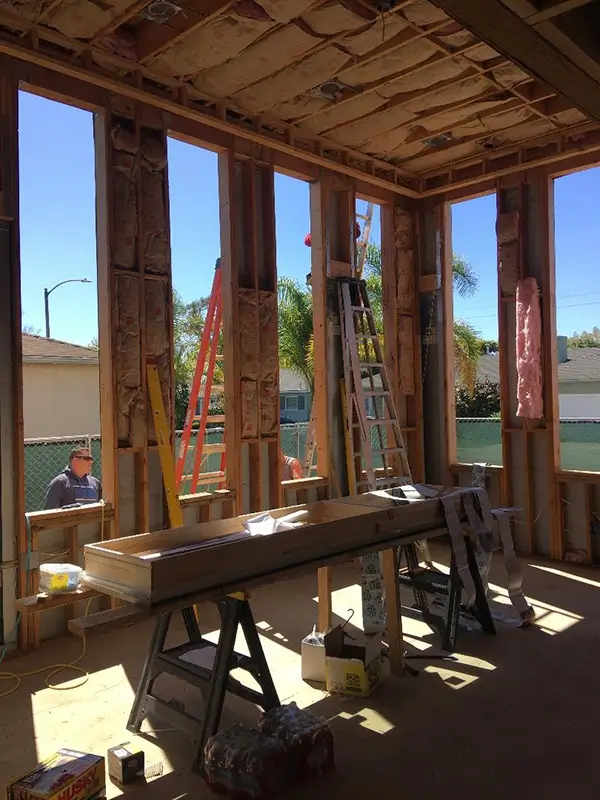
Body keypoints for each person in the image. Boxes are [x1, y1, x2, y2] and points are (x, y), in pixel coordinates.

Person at [44, 445, 103, 510]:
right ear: (75, 460)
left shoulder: (95, 483)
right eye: (87, 459)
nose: (91, 462)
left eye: (91, 459)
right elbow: (50, 511)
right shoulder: (60, 482)